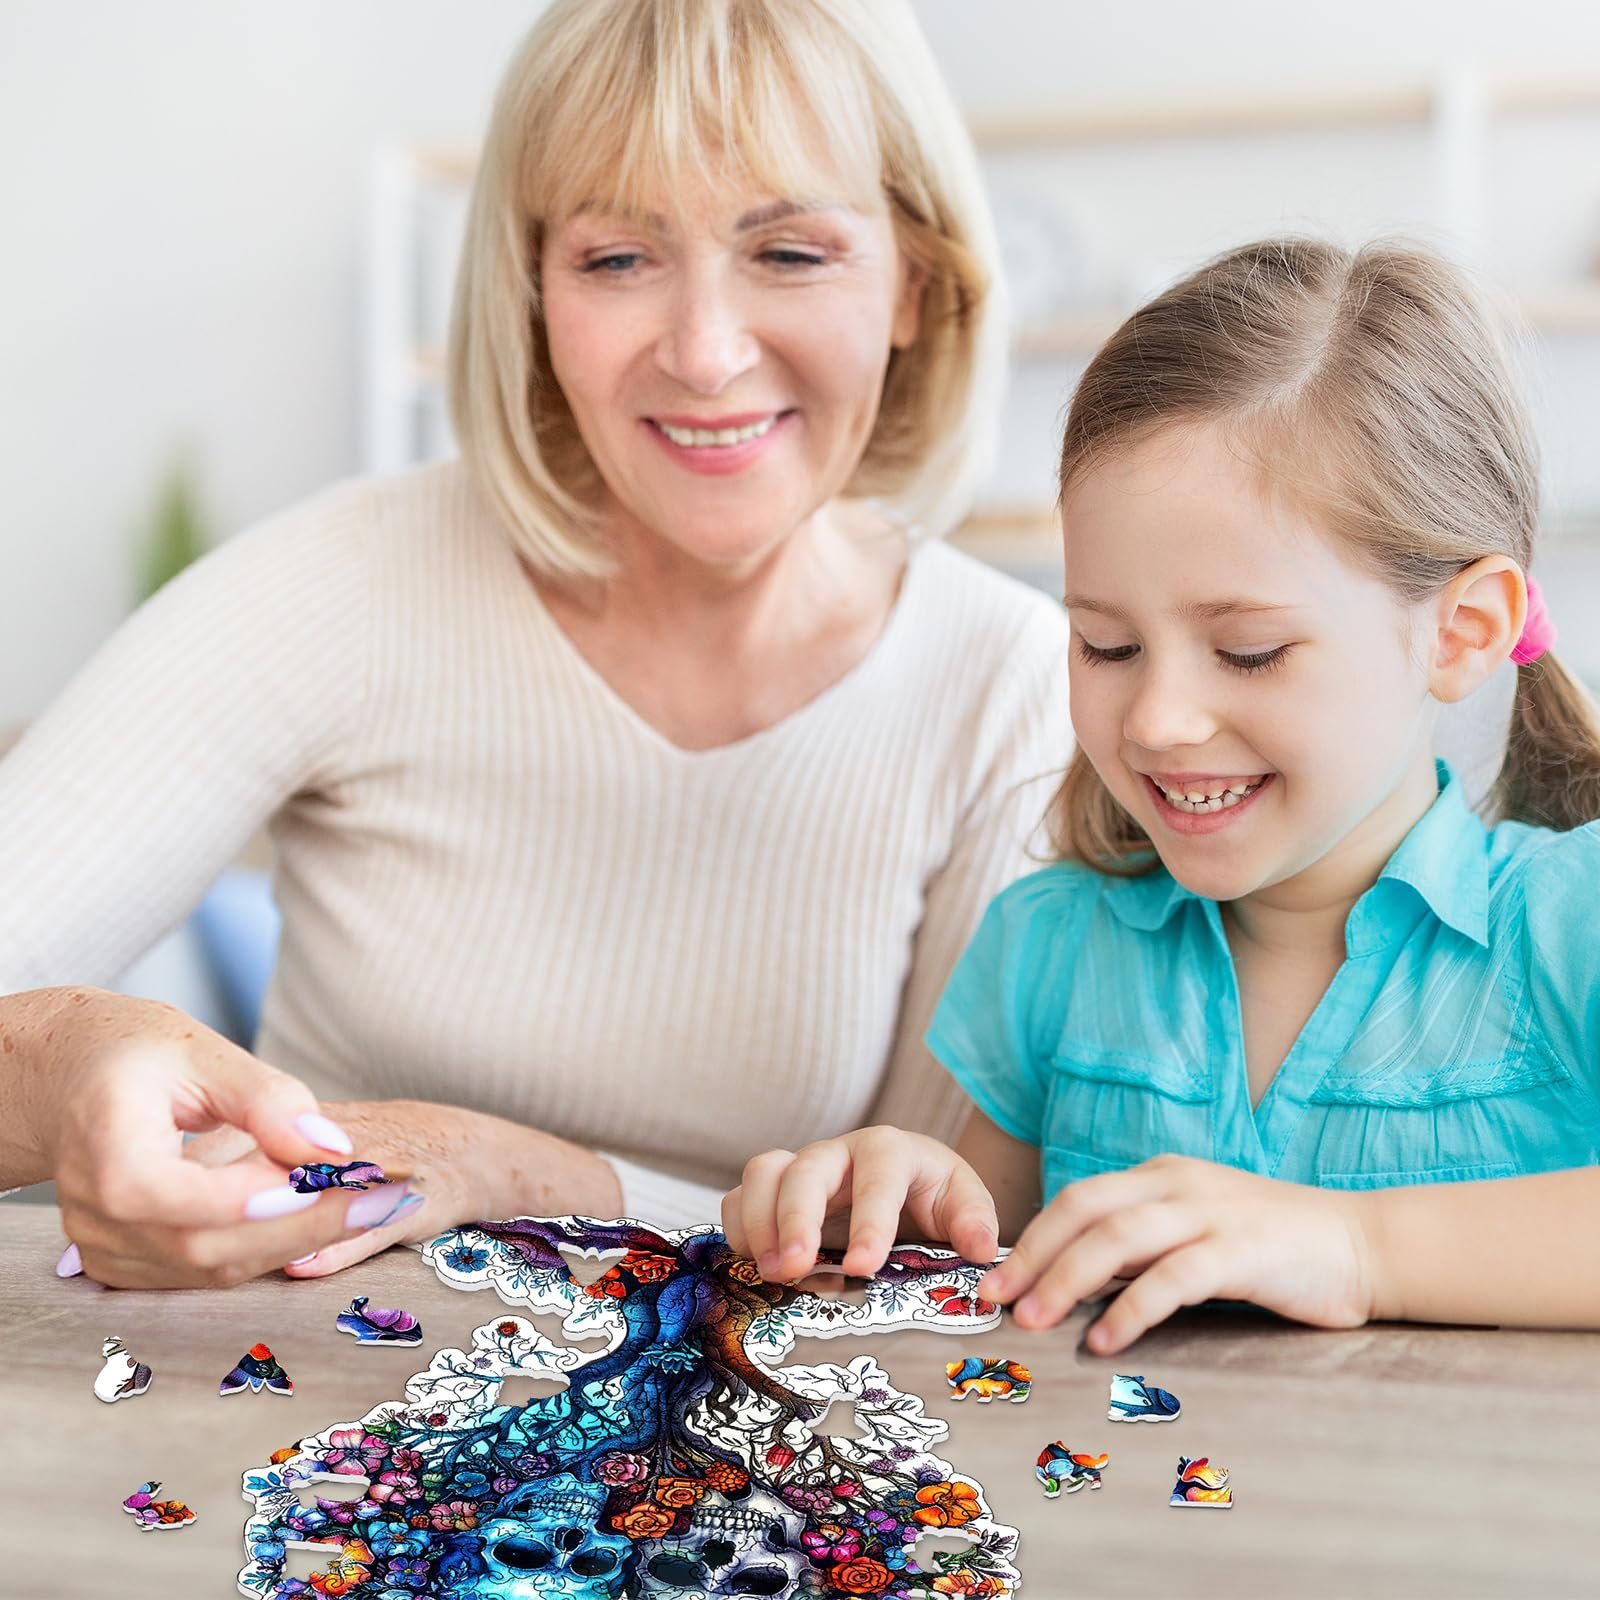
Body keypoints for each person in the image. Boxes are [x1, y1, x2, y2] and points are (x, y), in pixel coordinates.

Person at [0, 0, 1072, 1286]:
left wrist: (505, 1170)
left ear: (915, 282)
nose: (707, 352)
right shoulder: (341, 583)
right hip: (279, 1424)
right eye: (618, 258)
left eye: (789, 252)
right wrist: (62, 1055)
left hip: (738, 1462)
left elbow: (913, 1260)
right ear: (531, 295)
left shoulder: (1010, 686)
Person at [722, 237, 1600, 1355]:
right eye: (1107, 643)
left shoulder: (1571, 926)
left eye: (1245, 651)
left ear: (1460, 632)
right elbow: (971, 1265)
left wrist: (1355, 1247)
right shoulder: (1050, 947)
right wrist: (884, 1199)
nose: (1153, 721)